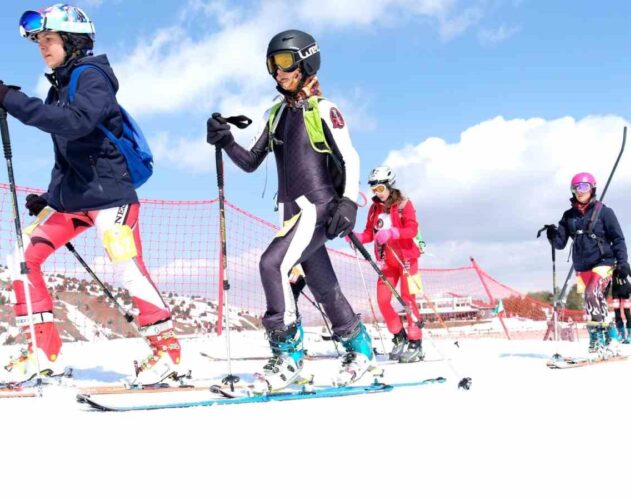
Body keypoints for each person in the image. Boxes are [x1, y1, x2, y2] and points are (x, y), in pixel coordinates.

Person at [0, 4, 181, 385]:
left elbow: (78, 124)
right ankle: (42, 352)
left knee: (127, 267)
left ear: (72, 41)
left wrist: (11, 100)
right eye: (39, 41)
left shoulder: (92, 76)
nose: (42, 47)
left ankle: (167, 351)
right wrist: (51, 197)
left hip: (111, 198)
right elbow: (67, 155)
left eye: (49, 39)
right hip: (73, 200)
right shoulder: (59, 89)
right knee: (22, 259)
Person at [206, 29, 372, 390]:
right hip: (293, 212)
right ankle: (360, 349)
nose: (277, 72)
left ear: (305, 61)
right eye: (271, 65)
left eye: (283, 62)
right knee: (322, 285)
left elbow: (350, 157)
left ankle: (288, 356)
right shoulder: (277, 114)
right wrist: (225, 139)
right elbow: (251, 161)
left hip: (319, 205)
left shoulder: (324, 109)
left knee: (272, 264)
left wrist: (348, 203)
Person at [546, 172, 630, 355]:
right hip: (582, 265)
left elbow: (618, 239)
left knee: (593, 293)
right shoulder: (569, 216)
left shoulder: (604, 212)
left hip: (604, 262)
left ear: (592, 188)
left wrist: (622, 263)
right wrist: (552, 235)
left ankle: (601, 337)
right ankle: (606, 336)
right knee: (591, 301)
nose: (580, 191)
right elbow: (559, 244)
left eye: (584, 187)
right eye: (576, 188)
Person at [352, 166, 424, 362]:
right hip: (386, 262)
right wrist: (359, 238)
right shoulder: (374, 208)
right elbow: (370, 233)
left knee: (408, 300)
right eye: (374, 190)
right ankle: (399, 336)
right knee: (383, 301)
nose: (378, 194)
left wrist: (394, 232)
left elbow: (412, 229)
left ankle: (415, 342)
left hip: (407, 259)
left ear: (390, 186)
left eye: (380, 189)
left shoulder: (404, 204)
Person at [611, 268, 631, 344]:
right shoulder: (610, 264)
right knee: (617, 313)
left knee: (627, 312)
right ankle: (621, 334)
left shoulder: (624, 264)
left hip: (626, 291)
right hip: (615, 292)